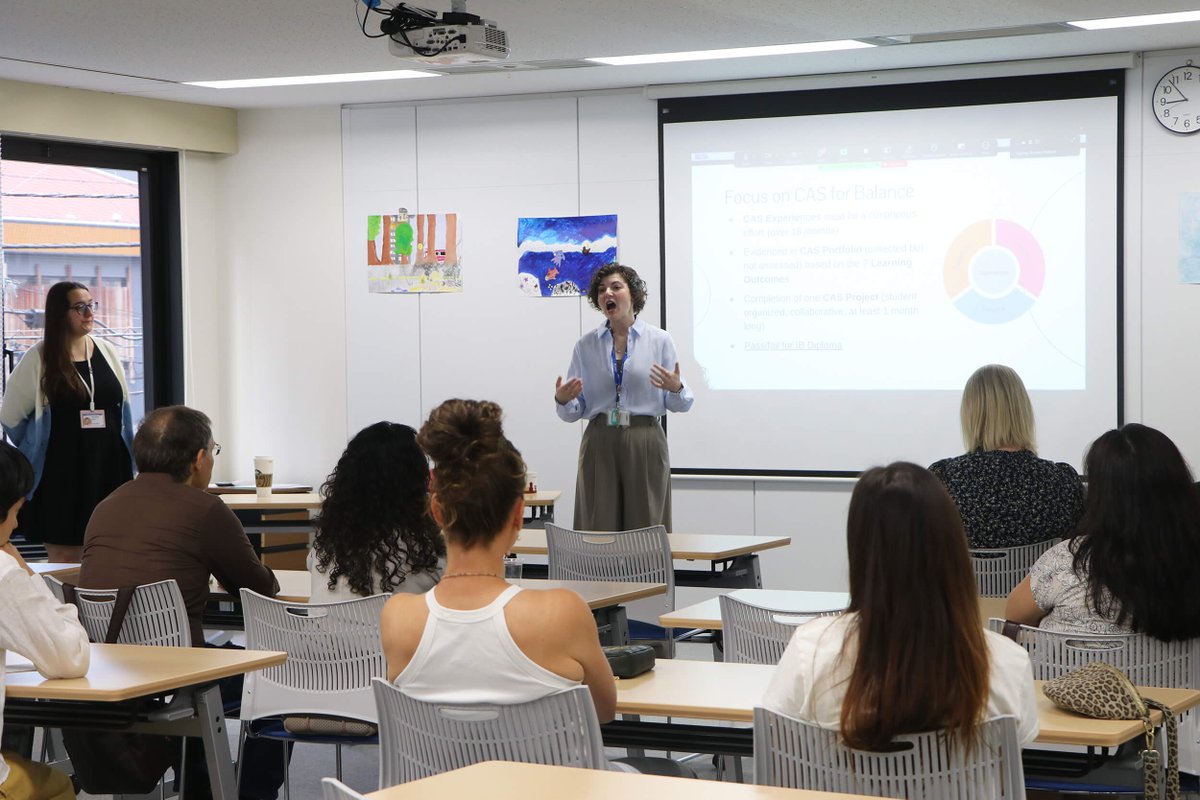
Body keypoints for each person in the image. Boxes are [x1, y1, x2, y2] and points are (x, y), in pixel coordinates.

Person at [78, 405, 284, 800]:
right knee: (274, 683)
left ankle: (203, 783)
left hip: (106, 670)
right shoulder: (204, 510)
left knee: (208, 661)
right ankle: (243, 794)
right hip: (176, 676)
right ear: (199, 459)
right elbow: (258, 586)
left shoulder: (104, 508)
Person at [762, 462, 1039, 756]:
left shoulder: (812, 650)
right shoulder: (1007, 662)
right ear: (952, 547)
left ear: (860, 550)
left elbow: (777, 740)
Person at [381, 398, 619, 718]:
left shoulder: (398, 617)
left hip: (444, 771)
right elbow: (603, 711)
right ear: (519, 515)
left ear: (436, 511)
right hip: (546, 770)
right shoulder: (564, 613)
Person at [1006, 423, 1200, 639]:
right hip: (1172, 673)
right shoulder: (1191, 561)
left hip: (1071, 673)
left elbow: (1013, 618)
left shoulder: (1066, 560)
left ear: (1100, 496)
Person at [0, 281, 134, 563]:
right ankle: (66, 609)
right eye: (79, 307)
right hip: (62, 474)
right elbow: (10, 418)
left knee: (110, 554)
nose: (89, 313)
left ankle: (104, 609)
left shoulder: (106, 351)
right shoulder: (38, 358)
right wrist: (40, 441)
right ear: (60, 313)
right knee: (65, 557)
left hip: (109, 468)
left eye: (91, 305)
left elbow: (124, 413)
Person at [553, 263, 693, 531]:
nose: (608, 293)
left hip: (644, 438)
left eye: (616, 287)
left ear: (634, 294)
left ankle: (647, 574)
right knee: (598, 522)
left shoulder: (659, 340)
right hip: (599, 439)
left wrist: (676, 388)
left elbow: (681, 403)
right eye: (602, 290)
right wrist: (562, 399)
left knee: (647, 523)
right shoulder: (586, 345)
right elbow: (574, 410)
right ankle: (597, 574)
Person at [0, 441, 91, 800]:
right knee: (58, 787)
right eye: (16, 511)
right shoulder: (4, 575)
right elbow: (69, 657)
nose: (18, 522)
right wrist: (27, 573)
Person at [929, 364, 1083, 549]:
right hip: (1037, 579)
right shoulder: (1062, 481)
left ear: (970, 415)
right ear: (1022, 411)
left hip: (966, 579)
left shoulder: (941, 479)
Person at [309, 421, 445, 602]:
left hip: (319, 630)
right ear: (417, 484)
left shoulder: (326, 547)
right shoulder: (427, 552)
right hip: (392, 631)